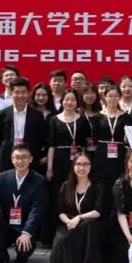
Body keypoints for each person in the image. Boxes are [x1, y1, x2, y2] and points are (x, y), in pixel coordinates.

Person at [0, 144, 48, 263]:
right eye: (17, 157)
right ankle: (2, 258)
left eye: (24, 157)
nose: (20, 161)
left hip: (25, 226)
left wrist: (26, 232)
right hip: (7, 225)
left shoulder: (39, 180)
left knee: (24, 251)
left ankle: (22, 254)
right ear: (12, 159)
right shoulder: (2, 178)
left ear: (31, 159)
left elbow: (36, 210)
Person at [47, 153, 106, 263]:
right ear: (73, 166)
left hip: (87, 223)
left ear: (91, 166)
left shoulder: (97, 186)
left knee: (89, 224)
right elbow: (60, 211)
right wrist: (68, 222)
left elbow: (98, 211)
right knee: (62, 241)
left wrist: (79, 218)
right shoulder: (66, 186)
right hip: (69, 223)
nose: (82, 168)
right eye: (78, 164)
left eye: (85, 164)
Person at [45, 89, 90, 245]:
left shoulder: (82, 120)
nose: (69, 103)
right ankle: (55, 234)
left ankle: (76, 229)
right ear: (62, 101)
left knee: (74, 194)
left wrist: (84, 164)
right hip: (59, 161)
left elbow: (84, 146)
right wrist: (49, 168)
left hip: (77, 163)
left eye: (73, 100)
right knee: (59, 195)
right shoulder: (54, 120)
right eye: (66, 99)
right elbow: (51, 146)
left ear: (77, 102)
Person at [0, 77, 48, 175]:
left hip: (29, 158)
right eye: (17, 92)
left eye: (23, 92)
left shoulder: (37, 115)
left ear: (28, 93)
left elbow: (41, 138)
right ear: (11, 93)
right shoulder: (3, 114)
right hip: (7, 158)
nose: (20, 95)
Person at [92, 86, 132, 184]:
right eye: (110, 96)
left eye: (116, 96)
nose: (113, 99)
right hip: (102, 152)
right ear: (104, 97)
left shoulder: (126, 117)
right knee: (102, 181)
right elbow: (95, 137)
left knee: (119, 179)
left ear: (120, 97)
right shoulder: (97, 117)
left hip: (120, 152)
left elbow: (128, 137)